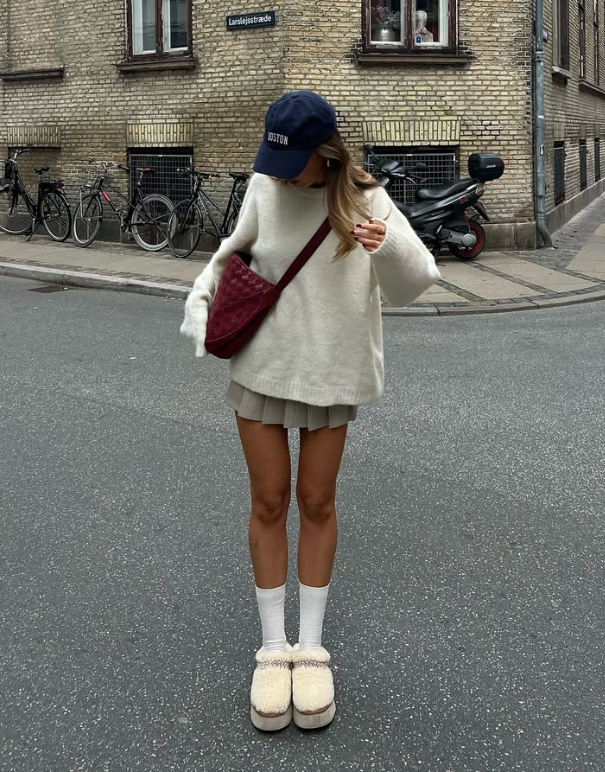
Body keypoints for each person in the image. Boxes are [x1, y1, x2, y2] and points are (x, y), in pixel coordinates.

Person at [180, 90, 440, 732]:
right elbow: (229, 253)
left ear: (326, 155)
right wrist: (198, 302)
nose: (277, 169)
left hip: (331, 373)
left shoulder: (367, 201)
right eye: (273, 155)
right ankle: (273, 648)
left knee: (317, 502)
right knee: (268, 500)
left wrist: (385, 247)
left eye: (290, 159)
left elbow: (416, 283)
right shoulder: (265, 189)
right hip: (264, 367)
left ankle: (310, 648)